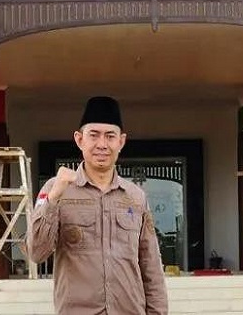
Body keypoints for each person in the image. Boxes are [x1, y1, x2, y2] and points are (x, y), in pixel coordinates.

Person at [27, 96, 168, 314]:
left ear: (121, 142)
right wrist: (53, 198)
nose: (102, 144)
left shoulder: (136, 197)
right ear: (79, 139)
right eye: (94, 135)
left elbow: (151, 265)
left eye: (110, 136)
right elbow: (36, 252)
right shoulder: (56, 189)